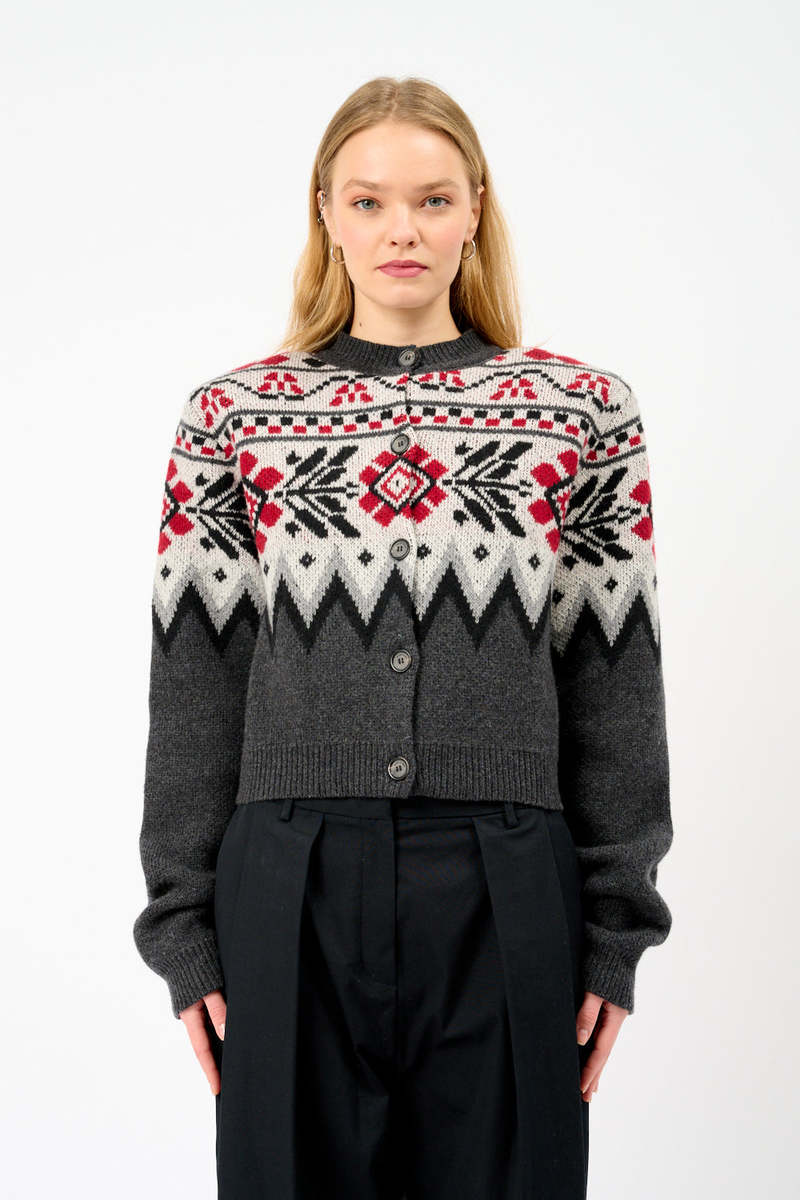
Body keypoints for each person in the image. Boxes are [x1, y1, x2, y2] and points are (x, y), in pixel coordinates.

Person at [132, 75, 674, 1199]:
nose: (401, 230)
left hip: (506, 882)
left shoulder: (580, 413)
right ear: (325, 214)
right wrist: (183, 928)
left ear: (475, 208)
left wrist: (615, 931)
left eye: (431, 200)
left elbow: (613, 678)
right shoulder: (232, 418)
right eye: (368, 201)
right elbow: (195, 685)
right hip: (289, 882)